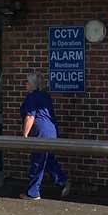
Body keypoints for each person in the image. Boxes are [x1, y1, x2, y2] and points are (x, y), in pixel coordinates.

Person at [20, 72, 69, 200]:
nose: (25, 84)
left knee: (38, 161)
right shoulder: (45, 96)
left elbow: (30, 116)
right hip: (51, 131)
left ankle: (33, 193)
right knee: (48, 160)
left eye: (27, 82)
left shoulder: (32, 97)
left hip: (40, 133)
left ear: (32, 85)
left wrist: (25, 135)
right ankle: (62, 181)